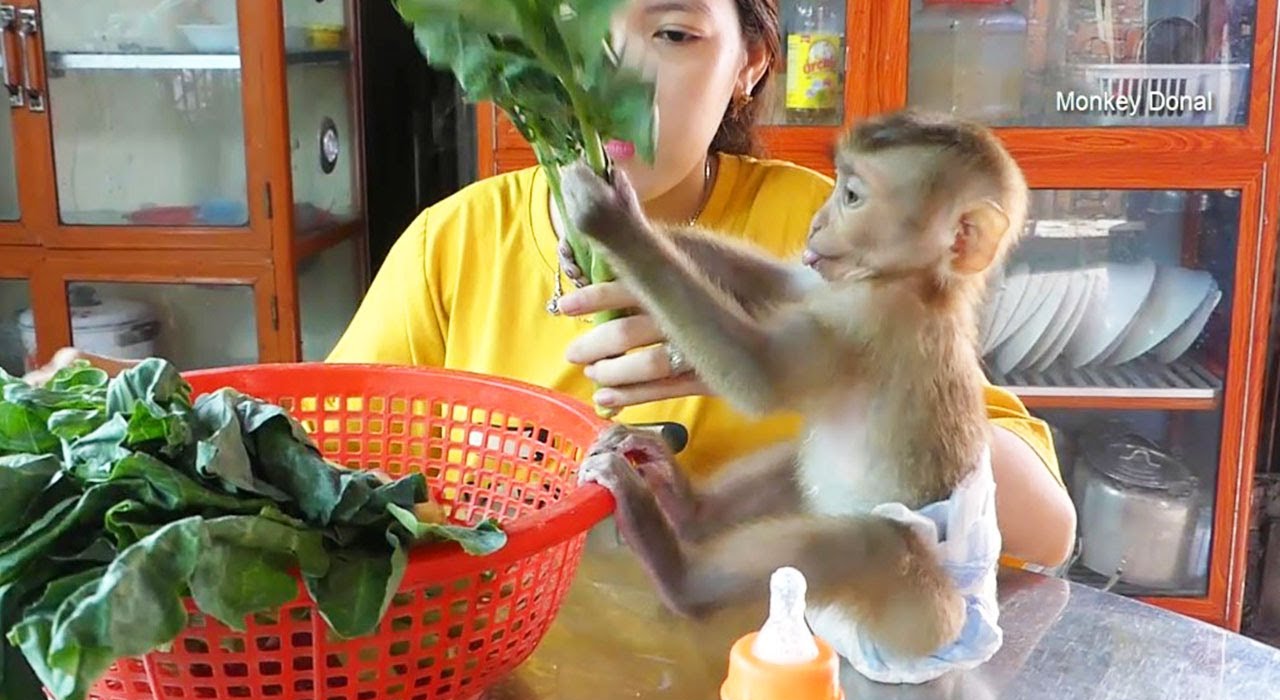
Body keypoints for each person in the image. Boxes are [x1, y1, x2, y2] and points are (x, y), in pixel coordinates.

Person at [28, 0, 1076, 569]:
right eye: (574, 39)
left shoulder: (833, 238)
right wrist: (158, 408)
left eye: (672, 34)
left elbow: (1040, 530)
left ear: (751, 61)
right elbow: (310, 455)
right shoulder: (456, 242)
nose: (613, 82)